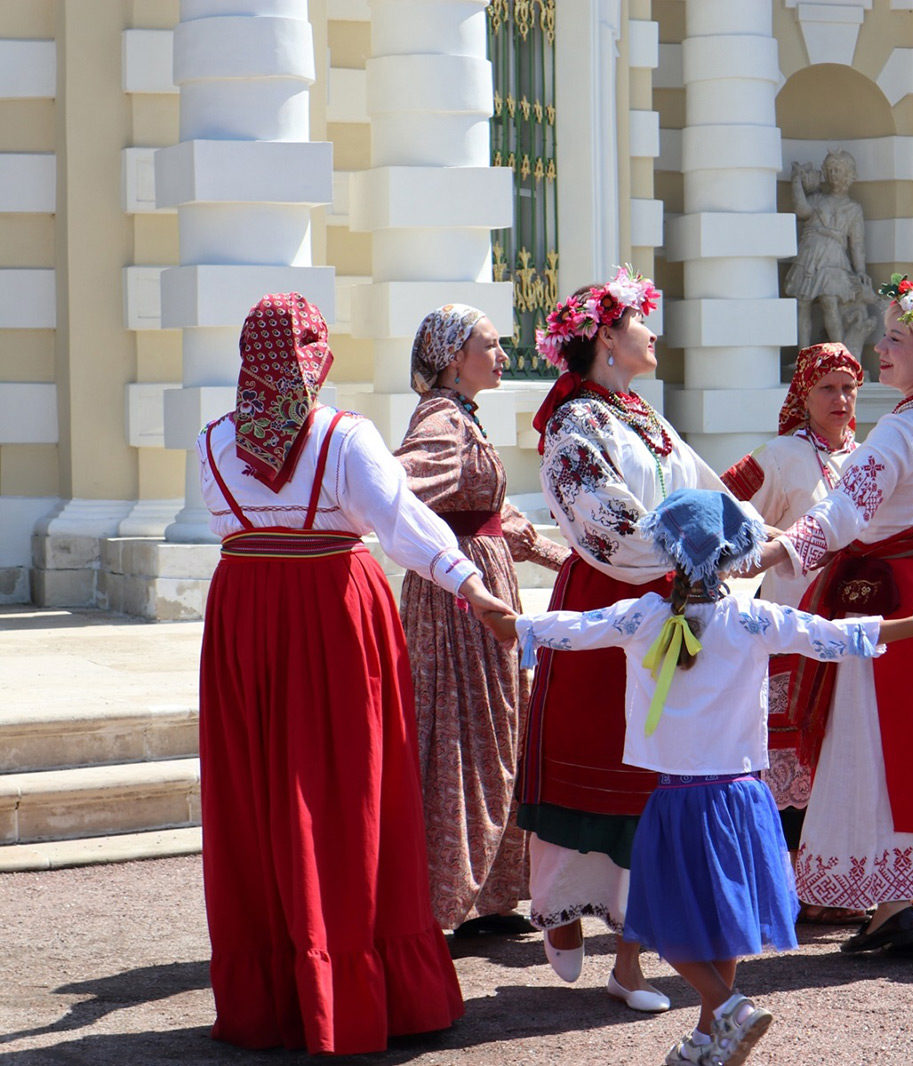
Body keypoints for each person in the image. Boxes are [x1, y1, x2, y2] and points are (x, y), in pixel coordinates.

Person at [484, 489, 913, 1066]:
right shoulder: (754, 619)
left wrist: (499, 612)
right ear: (737, 556)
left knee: (662, 920)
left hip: (679, 798)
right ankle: (710, 1037)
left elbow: (564, 628)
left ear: (667, 552)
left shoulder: (642, 615)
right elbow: (840, 638)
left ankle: (726, 1007)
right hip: (743, 798)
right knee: (723, 921)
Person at [196, 292, 514, 1054]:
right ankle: (356, 990)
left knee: (260, 791)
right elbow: (402, 523)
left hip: (243, 613)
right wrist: (472, 587)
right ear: (315, 355)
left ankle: (277, 991)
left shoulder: (211, 441)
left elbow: (223, 522)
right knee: (348, 789)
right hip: (333, 612)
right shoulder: (345, 436)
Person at [520, 266, 760, 1013]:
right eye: (638, 322)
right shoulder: (573, 426)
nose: (652, 332)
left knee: (657, 776)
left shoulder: (644, 416)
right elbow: (606, 522)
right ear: (604, 338)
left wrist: (753, 539)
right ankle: (562, 908)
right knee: (595, 762)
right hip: (610, 597)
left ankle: (630, 961)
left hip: (672, 594)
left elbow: (707, 492)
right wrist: (694, 550)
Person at [754, 274, 913, 965]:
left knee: (876, 746)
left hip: (894, 602)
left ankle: (894, 908)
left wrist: (768, 553)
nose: (881, 349)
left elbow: (841, 516)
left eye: (895, 339)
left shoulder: (900, 429)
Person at [395, 304, 571, 938]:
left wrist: (566, 559)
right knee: (462, 738)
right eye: (491, 345)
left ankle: (490, 897)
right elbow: (393, 489)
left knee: (492, 733)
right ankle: (439, 902)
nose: (502, 356)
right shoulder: (442, 421)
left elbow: (498, 519)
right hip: (457, 603)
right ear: (453, 357)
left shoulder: (463, 417)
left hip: (480, 589)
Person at [721, 341, 866, 924]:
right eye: (827, 388)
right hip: (788, 627)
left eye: (849, 388)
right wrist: (775, 540)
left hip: (850, 627)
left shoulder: (868, 457)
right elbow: (720, 503)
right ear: (804, 395)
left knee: (842, 751)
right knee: (788, 757)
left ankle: (836, 884)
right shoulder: (780, 455)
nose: (840, 398)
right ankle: (788, 889)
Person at [786, 149, 873, 349]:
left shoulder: (853, 208)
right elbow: (802, 210)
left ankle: (839, 354)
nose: (833, 175)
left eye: (838, 170)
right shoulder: (818, 199)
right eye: (830, 170)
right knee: (803, 304)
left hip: (833, 257)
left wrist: (861, 270)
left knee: (830, 302)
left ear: (848, 174)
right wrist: (796, 181)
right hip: (810, 254)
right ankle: (803, 356)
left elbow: (857, 244)